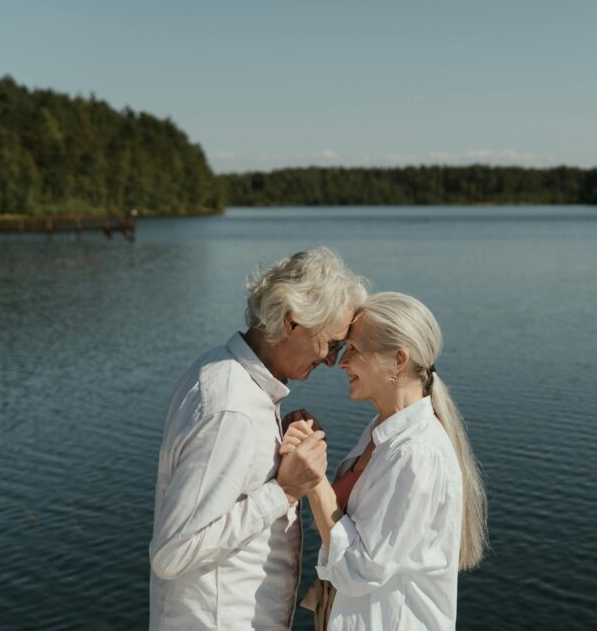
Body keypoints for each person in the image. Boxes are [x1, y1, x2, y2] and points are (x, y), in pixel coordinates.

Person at [149, 247, 368, 630]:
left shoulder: (224, 373)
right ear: (291, 322)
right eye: (332, 344)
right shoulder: (232, 409)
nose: (332, 361)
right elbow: (172, 553)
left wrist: (279, 440)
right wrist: (284, 491)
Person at [280, 292, 489, 630]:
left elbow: (359, 569)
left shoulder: (416, 454)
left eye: (353, 349)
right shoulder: (381, 432)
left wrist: (314, 480)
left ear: (397, 360)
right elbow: (345, 522)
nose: (342, 362)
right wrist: (313, 450)